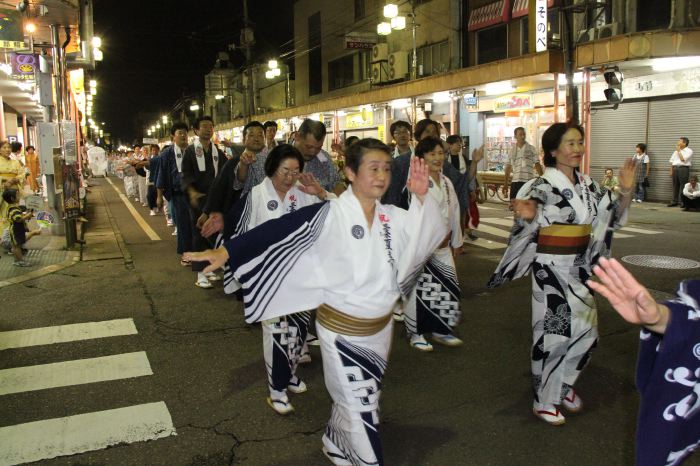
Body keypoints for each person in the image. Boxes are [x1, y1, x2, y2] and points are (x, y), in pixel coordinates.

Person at [184, 138, 447, 466]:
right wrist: (225, 251)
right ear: (350, 172)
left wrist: (422, 197)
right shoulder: (331, 213)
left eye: (387, 169)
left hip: (379, 333)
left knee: (364, 398)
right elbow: (278, 231)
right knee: (360, 407)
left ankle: (336, 440)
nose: (381, 176)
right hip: (342, 334)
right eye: (372, 168)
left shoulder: (393, 216)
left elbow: (431, 233)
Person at [487, 121, 635, 426]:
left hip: (579, 270)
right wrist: (528, 218)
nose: (578, 149)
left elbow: (611, 220)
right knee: (553, 335)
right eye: (570, 143)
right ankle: (544, 399)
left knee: (587, 334)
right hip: (550, 272)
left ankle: (564, 384)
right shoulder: (540, 185)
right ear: (553, 150)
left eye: (580, 142)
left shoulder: (589, 185)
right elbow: (528, 218)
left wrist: (626, 190)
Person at [210, 144, 333, 415]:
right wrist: (221, 228)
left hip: (301, 276)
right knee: (276, 332)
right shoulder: (256, 195)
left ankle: (288, 373)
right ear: (271, 169)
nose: (290, 177)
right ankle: (276, 389)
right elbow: (238, 228)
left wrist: (322, 193)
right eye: (284, 171)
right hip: (271, 277)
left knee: (298, 331)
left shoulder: (304, 193)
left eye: (296, 171)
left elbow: (337, 214)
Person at [588, 257, 700, 466]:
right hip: (556, 269)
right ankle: (549, 395)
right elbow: (693, 320)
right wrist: (660, 318)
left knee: (580, 341)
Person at [403, 137, 464, 351]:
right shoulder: (418, 182)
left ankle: (442, 328)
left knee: (447, 287)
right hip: (423, 247)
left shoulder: (446, 182)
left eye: (440, 153)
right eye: (432, 154)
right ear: (422, 158)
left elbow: (454, 211)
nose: (438, 158)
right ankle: (415, 333)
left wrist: (457, 240)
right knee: (420, 291)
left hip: (443, 246)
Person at [180, 116, 227, 289]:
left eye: (211, 126)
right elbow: (185, 175)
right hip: (198, 199)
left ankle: (209, 268)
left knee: (213, 233)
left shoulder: (217, 151)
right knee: (199, 233)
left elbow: (224, 173)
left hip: (213, 198)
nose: (208, 129)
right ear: (196, 131)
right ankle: (200, 274)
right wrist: (191, 192)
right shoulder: (191, 151)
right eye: (204, 126)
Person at [157, 122, 193, 265]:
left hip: (194, 193)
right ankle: (185, 253)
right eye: (180, 133)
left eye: (185, 132)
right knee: (183, 224)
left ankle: (196, 252)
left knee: (195, 224)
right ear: (173, 136)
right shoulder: (167, 153)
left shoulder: (193, 150)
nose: (184, 135)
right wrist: (159, 196)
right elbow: (161, 174)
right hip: (178, 194)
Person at [3, 188, 40, 267]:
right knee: (17, 246)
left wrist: (26, 215)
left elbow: (18, 217)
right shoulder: (13, 209)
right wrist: (28, 215)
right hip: (16, 230)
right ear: (12, 198)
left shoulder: (11, 207)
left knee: (15, 246)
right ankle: (20, 261)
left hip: (15, 229)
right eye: (17, 195)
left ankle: (16, 260)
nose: (19, 196)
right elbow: (19, 219)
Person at [504, 127, 542, 201]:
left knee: (527, 207)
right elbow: (508, 167)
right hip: (515, 181)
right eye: (520, 134)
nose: (523, 136)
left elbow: (537, 165)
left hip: (528, 181)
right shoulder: (511, 151)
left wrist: (543, 179)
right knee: (514, 206)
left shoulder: (532, 149)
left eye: (524, 134)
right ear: (515, 136)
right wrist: (505, 183)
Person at [0, 140, 25, 229]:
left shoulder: (15, 162)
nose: (7, 149)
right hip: (2, 189)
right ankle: (4, 234)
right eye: (4, 147)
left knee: (14, 211)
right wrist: (4, 179)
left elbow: (22, 174)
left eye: (9, 147)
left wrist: (14, 179)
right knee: (3, 212)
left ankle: (15, 233)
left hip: (14, 191)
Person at [668, 137, 693, 208]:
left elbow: (683, 159)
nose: (678, 142)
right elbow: (672, 161)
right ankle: (674, 201)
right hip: (675, 168)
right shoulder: (676, 151)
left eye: (680, 141)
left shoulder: (689, 151)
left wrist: (679, 151)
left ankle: (682, 202)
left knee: (683, 185)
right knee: (675, 185)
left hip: (683, 168)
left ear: (684, 143)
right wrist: (671, 170)